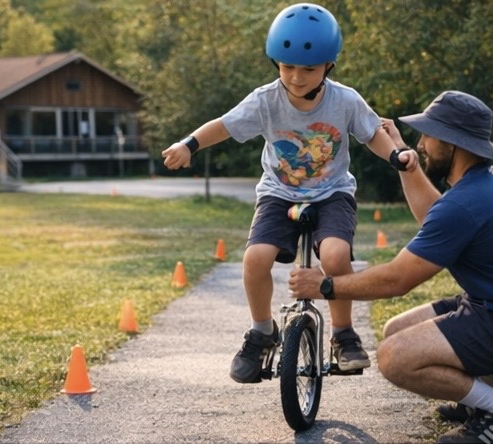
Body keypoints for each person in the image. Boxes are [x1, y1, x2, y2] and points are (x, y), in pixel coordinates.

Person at [162, 3, 418, 384]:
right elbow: (225, 125)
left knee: (335, 255)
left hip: (332, 193)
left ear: (328, 66)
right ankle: (262, 332)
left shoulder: (345, 100)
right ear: (276, 63)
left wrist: (396, 155)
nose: (297, 77)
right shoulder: (265, 100)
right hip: (279, 194)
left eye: (308, 69)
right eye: (288, 67)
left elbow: (372, 134)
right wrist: (189, 144)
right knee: (254, 259)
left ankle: (343, 334)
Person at [288, 90, 493, 443]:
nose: (422, 145)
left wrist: (325, 285)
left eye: (428, 136)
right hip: (480, 302)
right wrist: (403, 159)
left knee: (395, 357)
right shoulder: (477, 187)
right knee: (397, 329)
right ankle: (476, 396)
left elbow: (397, 280)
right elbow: (435, 216)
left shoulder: (464, 204)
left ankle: (490, 407)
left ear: (451, 143)